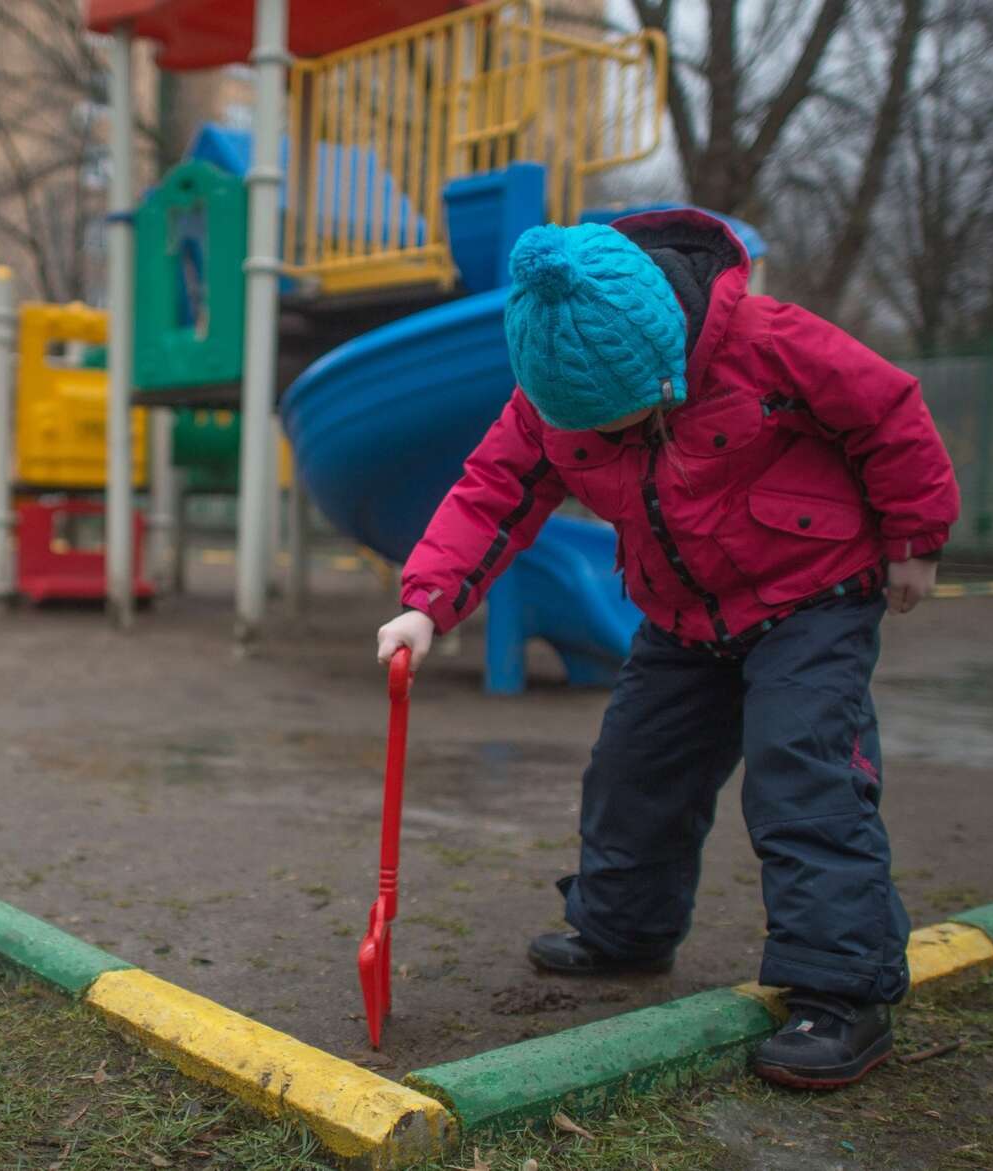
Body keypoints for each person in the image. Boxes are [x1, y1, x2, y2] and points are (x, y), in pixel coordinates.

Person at [375, 210, 958, 1089]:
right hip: (682, 613)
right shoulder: (551, 389)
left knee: (803, 765)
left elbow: (887, 411)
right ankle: (625, 930)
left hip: (814, 591)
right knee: (633, 768)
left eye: (627, 418)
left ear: (665, 360)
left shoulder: (768, 340)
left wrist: (915, 536)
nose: (610, 440)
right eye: (591, 430)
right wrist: (425, 605)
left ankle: (842, 992)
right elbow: (493, 491)